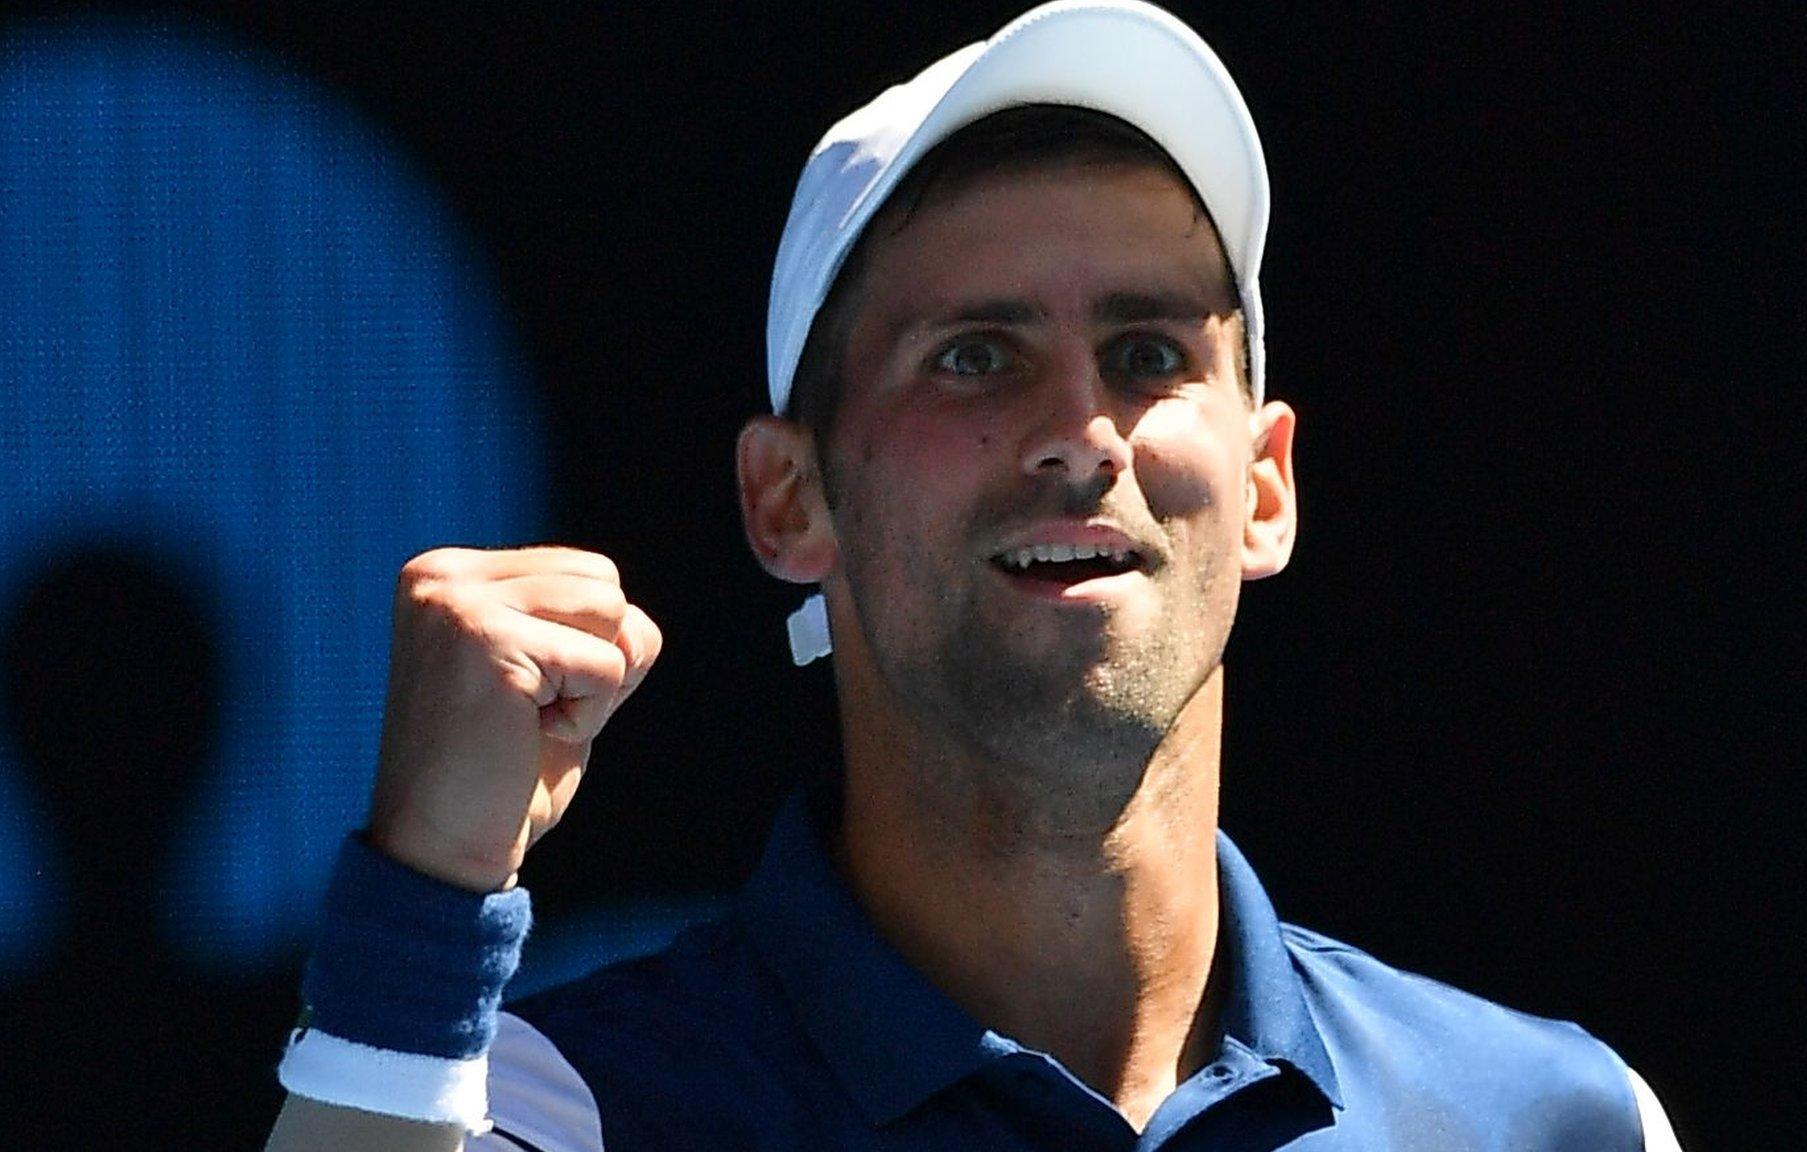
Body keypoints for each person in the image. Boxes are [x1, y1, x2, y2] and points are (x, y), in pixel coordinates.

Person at [266, 3, 1685, 1149]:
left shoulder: (1555, 1122)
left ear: (1264, 486)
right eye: (976, 357)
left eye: (1148, 355)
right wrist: (425, 916)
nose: (1080, 438)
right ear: (788, 497)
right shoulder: (540, 1118)